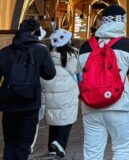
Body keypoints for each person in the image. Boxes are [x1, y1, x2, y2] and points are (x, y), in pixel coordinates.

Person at [79, 4, 129, 160]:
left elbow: (80, 76)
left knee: (92, 152)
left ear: (103, 21)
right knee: (121, 148)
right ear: (122, 21)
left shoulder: (85, 47)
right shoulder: (127, 44)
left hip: (90, 106)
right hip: (119, 106)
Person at [0, 18, 56, 160]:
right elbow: (50, 74)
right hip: (30, 104)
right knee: (24, 144)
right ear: (36, 32)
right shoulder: (40, 50)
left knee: (10, 142)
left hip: (8, 105)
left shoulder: (5, 52)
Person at [41, 29, 80, 158]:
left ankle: (51, 147)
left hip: (50, 86)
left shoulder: (47, 54)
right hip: (68, 89)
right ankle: (60, 143)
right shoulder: (73, 54)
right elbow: (78, 70)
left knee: (54, 118)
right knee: (67, 118)